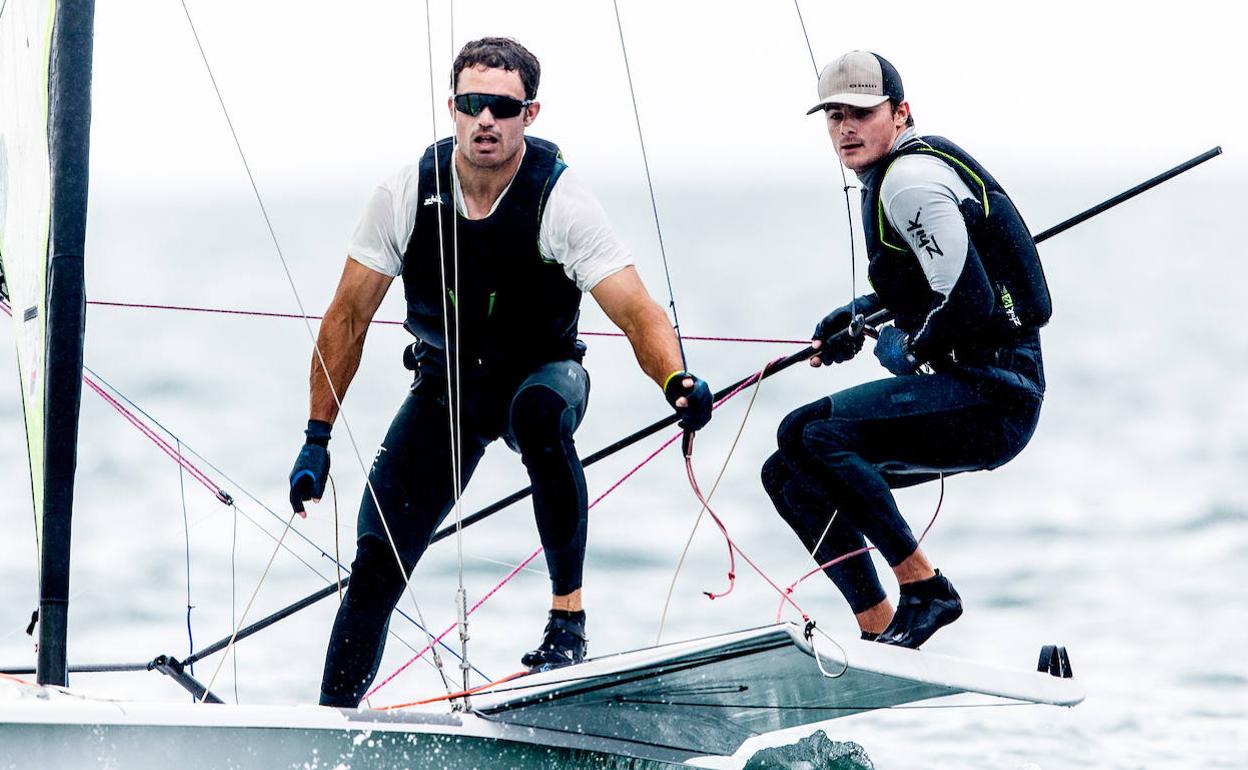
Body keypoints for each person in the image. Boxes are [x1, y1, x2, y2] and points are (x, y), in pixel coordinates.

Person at [289, 37, 713, 707]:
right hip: (446, 390)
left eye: (503, 106)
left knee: (537, 416)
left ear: (530, 113)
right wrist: (316, 437)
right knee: (375, 563)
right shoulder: (407, 192)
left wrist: (675, 381)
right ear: (451, 107)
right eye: (471, 103)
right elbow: (346, 318)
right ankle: (330, 726)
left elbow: (635, 310)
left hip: (542, 376)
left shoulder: (561, 199)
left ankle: (567, 621)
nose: (485, 119)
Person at [761, 50, 1051, 648]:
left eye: (862, 113)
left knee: (810, 434)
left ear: (900, 113)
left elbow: (969, 305)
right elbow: (932, 284)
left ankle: (926, 590)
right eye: (835, 115)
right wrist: (863, 314)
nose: (846, 128)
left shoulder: (910, 183)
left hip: (993, 399)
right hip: (976, 387)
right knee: (788, 475)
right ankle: (881, 625)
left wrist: (905, 348)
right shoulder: (907, 173)